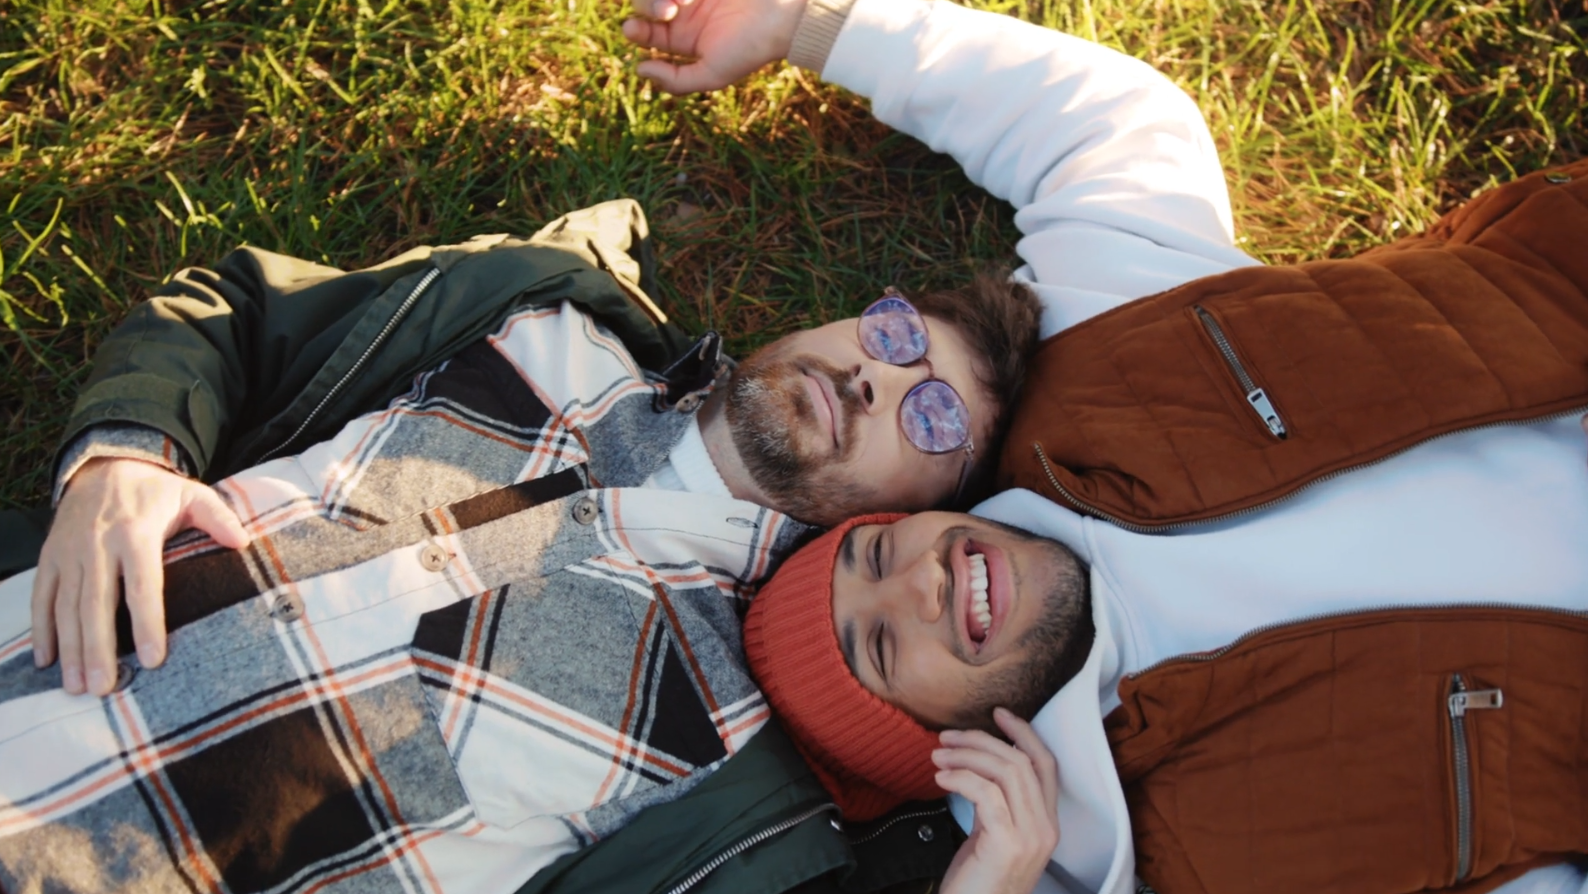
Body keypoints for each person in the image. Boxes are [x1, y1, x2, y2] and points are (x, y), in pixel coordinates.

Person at [618, 0, 1588, 892]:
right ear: (944, 749)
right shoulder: (1184, 856)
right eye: (880, 646)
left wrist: (811, 24)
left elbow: (1107, 129)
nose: (919, 585)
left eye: (873, 554)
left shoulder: (1085, 360)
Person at [0, 197, 1043, 892]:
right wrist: (126, 457)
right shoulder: (541, 320)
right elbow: (242, 315)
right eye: (896, 337)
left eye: (933, 417)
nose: (875, 377)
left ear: (914, 513)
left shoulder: (727, 756)